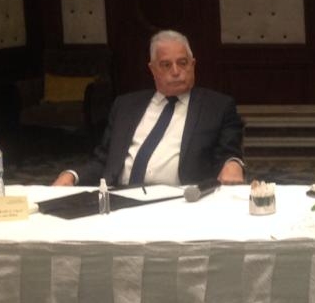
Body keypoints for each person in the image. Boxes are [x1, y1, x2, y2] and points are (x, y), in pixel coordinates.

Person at [52, 30, 245, 187]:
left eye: (182, 63)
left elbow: (228, 154)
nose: (176, 71)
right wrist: (72, 175)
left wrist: (233, 164)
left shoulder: (216, 107)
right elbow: (104, 159)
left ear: (193, 65)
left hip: (179, 201)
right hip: (119, 197)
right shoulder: (125, 106)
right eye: (166, 65)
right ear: (152, 69)